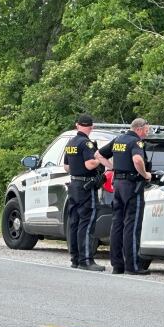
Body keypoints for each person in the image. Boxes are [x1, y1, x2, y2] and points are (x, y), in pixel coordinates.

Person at [96, 118, 152, 275]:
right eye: (146, 130)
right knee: (132, 226)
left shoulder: (118, 140)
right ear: (139, 129)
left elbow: (98, 154)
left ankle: (117, 265)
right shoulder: (136, 142)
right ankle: (132, 266)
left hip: (118, 185)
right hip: (132, 186)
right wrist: (145, 174)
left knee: (117, 225)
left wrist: (113, 168)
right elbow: (137, 159)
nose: (147, 133)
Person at [62, 114, 105, 271]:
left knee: (74, 223)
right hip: (86, 187)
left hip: (73, 185)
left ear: (77, 125)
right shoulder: (86, 143)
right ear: (91, 127)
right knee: (86, 223)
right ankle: (86, 260)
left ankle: (75, 259)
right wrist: (101, 158)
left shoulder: (71, 143)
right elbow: (89, 164)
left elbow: (66, 167)